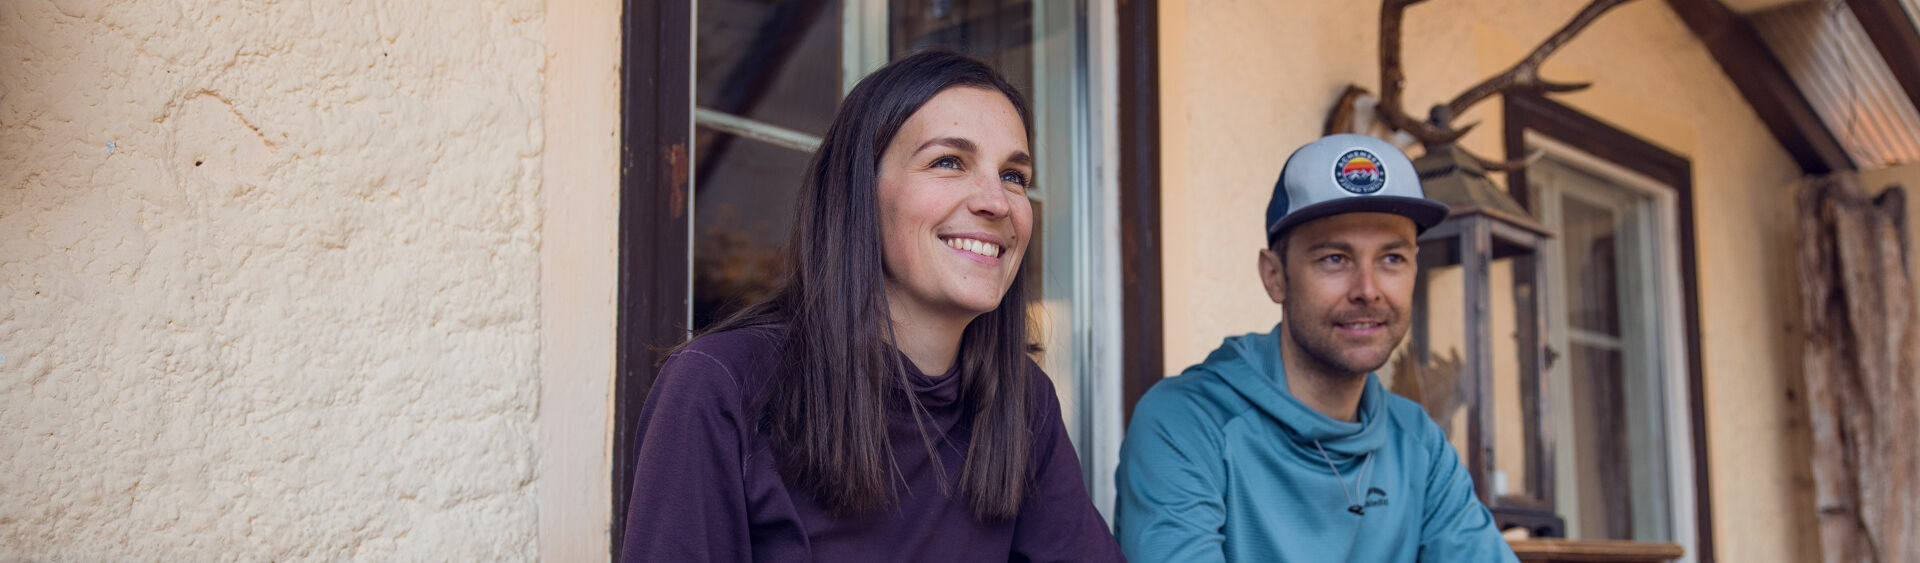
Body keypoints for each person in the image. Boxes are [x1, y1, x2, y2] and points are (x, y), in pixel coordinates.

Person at [620, 50, 1123, 562]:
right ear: (859, 191)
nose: (997, 201)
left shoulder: (1019, 401)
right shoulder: (721, 384)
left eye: (1014, 175)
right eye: (948, 162)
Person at [1113, 134, 1518, 562]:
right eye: (1334, 258)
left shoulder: (1420, 444)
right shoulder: (1186, 423)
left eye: (1392, 258)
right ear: (1274, 276)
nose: (1368, 290)